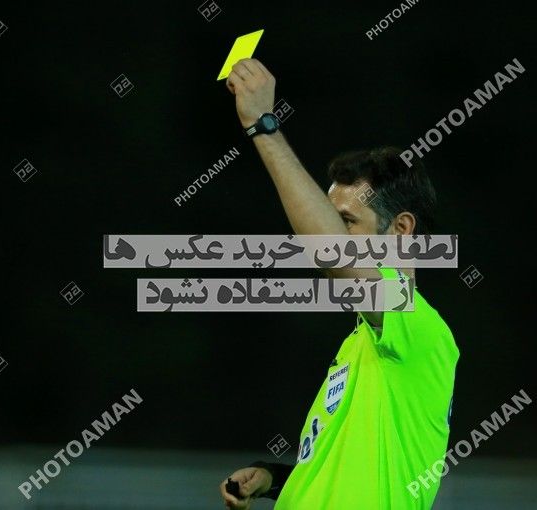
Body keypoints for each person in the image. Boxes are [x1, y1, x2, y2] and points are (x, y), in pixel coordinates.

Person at [218, 58, 459, 510]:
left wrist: (263, 126)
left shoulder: (416, 323)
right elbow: (344, 473)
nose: (328, 232)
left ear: (400, 230)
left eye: (345, 221)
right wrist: (274, 478)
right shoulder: (362, 343)